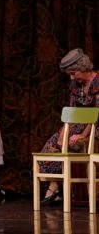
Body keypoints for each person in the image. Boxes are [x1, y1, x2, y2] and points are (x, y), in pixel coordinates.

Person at [39, 48, 98, 204]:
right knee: (55, 143)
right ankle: (55, 186)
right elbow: (71, 112)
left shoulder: (98, 82)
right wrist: (64, 131)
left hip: (95, 126)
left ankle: (54, 189)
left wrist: (83, 135)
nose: (72, 77)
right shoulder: (75, 86)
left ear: (83, 67)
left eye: (74, 73)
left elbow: (97, 115)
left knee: (72, 143)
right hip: (79, 124)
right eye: (70, 74)